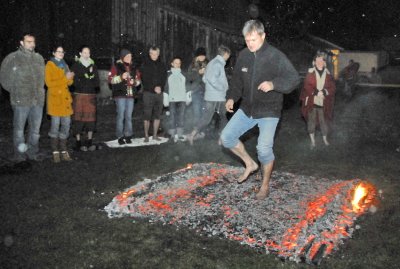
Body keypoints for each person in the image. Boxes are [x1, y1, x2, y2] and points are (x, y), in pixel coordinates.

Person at [220, 20, 300, 200]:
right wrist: (231, 97)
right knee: (226, 137)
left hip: (269, 110)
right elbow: (237, 82)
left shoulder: (275, 56)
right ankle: (250, 164)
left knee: (263, 149)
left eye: (253, 40)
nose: (250, 44)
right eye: (247, 40)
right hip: (247, 108)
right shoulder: (243, 55)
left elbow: (293, 78)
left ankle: (264, 185)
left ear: (263, 36)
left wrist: (274, 84)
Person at [0, 33, 45, 162]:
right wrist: (16, 92)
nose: (31, 44)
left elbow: (43, 78)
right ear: (21, 42)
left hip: (37, 100)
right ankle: (19, 156)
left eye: (33, 42)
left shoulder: (39, 58)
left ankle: (32, 153)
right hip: (21, 101)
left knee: (35, 131)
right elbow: (4, 79)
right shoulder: (12, 58)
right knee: (19, 130)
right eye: (28, 41)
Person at [187, 45, 231, 146]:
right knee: (222, 117)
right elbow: (211, 80)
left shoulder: (211, 62)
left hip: (211, 95)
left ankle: (193, 134)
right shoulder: (217, 64)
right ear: (225, 54)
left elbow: (204, 79)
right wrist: (222, 88)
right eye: (228, 55)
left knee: (208, 118)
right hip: (217, 96)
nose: (228, 58)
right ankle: (221, 138)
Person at [300, 51, 336, 149]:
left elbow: (332, 87)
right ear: (314, 62)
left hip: (323, 102)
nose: (319, 62)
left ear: (324, 62)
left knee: (324, 121)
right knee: (311, 121)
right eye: (317, 60)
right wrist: (317, 93)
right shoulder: (310, 73)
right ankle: (313, 141)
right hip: (312, 102)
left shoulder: (328, 75)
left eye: (321, 60)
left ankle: (325, 139)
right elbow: (307, 86)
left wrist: (324, 92)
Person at [45, 45, 75, 162]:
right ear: (53, 53)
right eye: (58, 51)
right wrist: (65, 78)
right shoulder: (49, 65)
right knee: (55, 126)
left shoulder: (65, 64)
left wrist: (70, 77)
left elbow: (70, 83)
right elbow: (49, 83)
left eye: (62, 52)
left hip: (65, 100)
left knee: (66, 125)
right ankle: (55, 151)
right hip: (55, 100)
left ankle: (63, 149)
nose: (61, 53)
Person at [108, 49, 141, 145]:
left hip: (130, 95)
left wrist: (134, 82)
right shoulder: (116, 66)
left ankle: (128, 135)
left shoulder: (134, 67)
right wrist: (121, 77)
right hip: (120, 94)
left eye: (130, 56)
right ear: (122, 58)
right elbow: (110, 80)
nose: (129, 58)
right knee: (121, 115)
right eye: (127, 56)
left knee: (129, 116)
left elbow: (138, 81)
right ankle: (120, 136)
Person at [70, 45, 100, 151]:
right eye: (85, 52)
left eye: (88, 52)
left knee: (91, 120)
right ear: (80, 54)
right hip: (79, 95)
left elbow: (97, 82)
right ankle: (78, 142)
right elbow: (72, 81)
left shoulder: (93, 65)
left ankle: (89, 142)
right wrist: (84, 78)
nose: (87, 54)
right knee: (79, 119)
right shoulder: (76, 66)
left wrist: (91, 76)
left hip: (90, 95)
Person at [140, 46, 167, 142]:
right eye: (152, 54)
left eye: (156, 54)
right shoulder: (145, 65)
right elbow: (144, 79)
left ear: (158, 54)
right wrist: (153, 88)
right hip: (148, 93)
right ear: (150, 54)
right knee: (147, 115)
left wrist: (160, 87)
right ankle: (146, 136)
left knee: (157, 115)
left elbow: (164, 78)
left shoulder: (162, 65)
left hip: (159, 93)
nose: (154, 56)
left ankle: (155, 135)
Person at [164, 56, 188, 142]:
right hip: (172, 99)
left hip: (182, 98)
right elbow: (166, 87)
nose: (177, 64)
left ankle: (180, 134)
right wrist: (165, 97)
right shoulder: (168, 74)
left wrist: (188, 96)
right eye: (176, 63)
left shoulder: (184, 73)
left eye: (179, 63)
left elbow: (187, 86)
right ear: (172, 64)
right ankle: (172, 134)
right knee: (172, 117)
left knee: (181, 116)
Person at [186, 47, 208, 130]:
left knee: (204, 111)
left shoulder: (208, 63)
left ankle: (202, 130)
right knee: (197, 111)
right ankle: (195, 130)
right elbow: (189, 78)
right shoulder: (192, 65)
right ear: (196, 56)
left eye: (203, 56)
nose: (202, 57)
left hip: (206, 91)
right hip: (196, 91)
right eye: (200, 56)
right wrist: (198, 73)